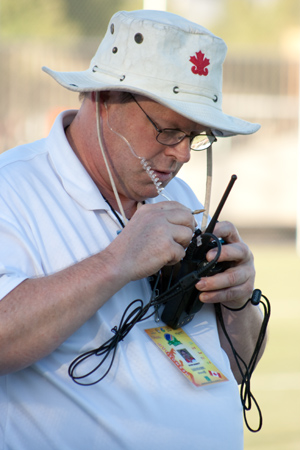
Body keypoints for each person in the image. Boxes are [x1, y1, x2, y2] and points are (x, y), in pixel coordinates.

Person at [0, 9, 267, 450]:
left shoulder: (179, 197)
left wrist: (239, 301)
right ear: (105, 99)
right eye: (167, 130)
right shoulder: (13, 189)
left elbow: (240, 366)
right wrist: (116, 262)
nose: (182, 154)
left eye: (196, 135)